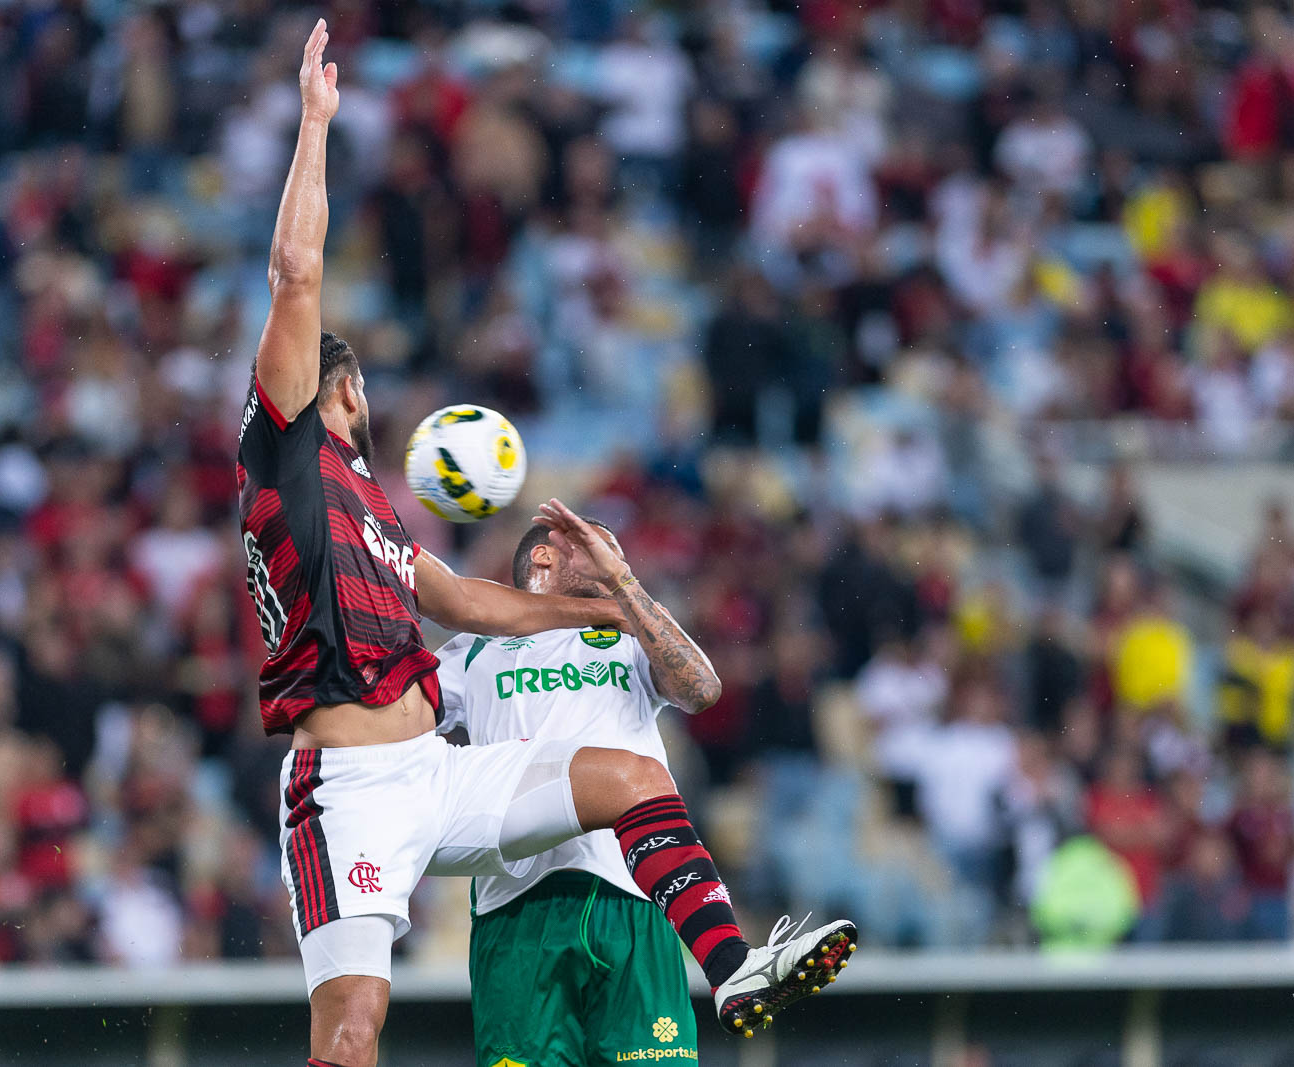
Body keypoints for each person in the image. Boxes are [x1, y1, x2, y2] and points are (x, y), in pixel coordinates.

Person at [238, 25, 855, 1067]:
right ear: (341, 390)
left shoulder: (377, 517)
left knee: (625, 773)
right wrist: (316, 124)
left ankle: (734, 964)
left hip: (432, 772)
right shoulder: (291, 462)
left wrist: (613, 603)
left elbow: (474, 605)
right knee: (349, 1033)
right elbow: (298, 276)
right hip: (343, 786)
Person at [437, 508, 853, 1065]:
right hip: (517, 904)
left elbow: (701, 689)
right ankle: (733, 965)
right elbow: (397, 723)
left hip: (638, 893)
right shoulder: (471, 650)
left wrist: (624, 587)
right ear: (543, 554)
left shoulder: (629, 633)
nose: (617, 562)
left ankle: (733, 967)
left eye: (621, 557)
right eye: (598, 548)